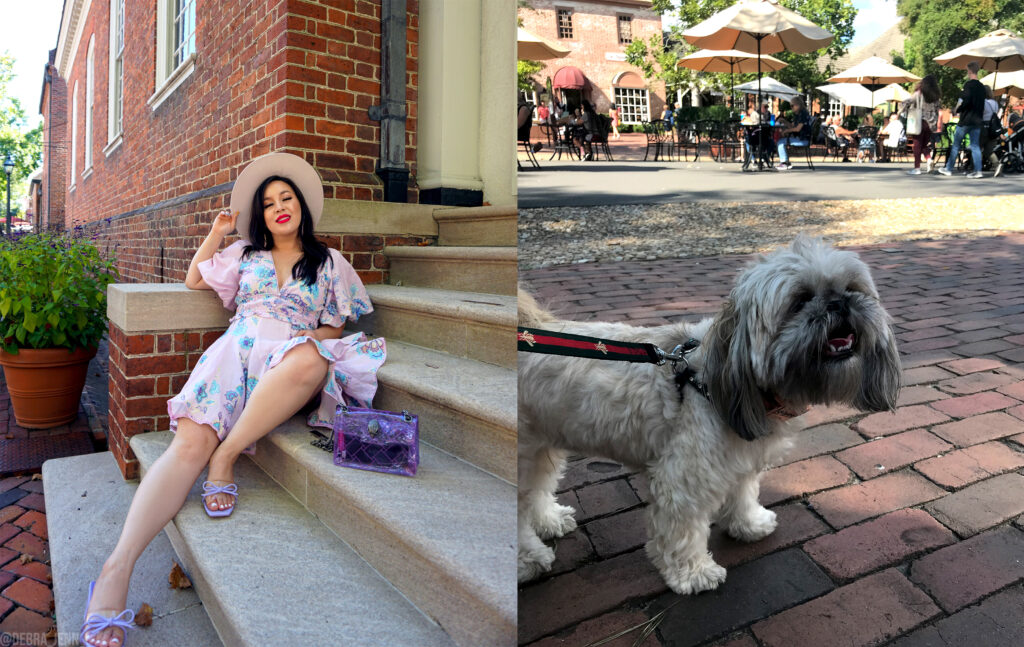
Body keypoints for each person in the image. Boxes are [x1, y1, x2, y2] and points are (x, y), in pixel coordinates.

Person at [79, 153, 385, 647]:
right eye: (268, 203)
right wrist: (219, 233)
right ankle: (117, 571)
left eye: (286, 198)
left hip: (288, 355)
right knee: (187, 447)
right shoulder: (245, 254)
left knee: (313, 359)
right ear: (261, 217)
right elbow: (194, 280)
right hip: (234, 351)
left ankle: (226, 457)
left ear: (302, 207)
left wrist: (305, 335)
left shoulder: (329, 262)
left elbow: (337, 323)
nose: (278, 207)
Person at [939, 61, 986, 178]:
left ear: (969, 71)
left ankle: (949, 168)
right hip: (977, 120)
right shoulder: (982, 87)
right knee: (975, 146)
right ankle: (978, 171)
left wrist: (957, 110)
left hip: (966, 120)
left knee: (956, 145)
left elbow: (963, 101)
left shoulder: (968, 85)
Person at [900, 74, 941, 174]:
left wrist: (902, 110)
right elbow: (938, 109)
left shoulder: (919, 93)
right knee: (924, 145)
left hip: (919, 122)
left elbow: (906, 102)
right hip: (931, 124)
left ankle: (917, 168)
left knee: (917, 146)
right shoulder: (936, 96)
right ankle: (929, 159)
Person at [774, 96, 811, 171]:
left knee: (780, 142)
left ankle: (784, 163)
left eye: (792, 106)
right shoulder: (798, 114)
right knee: (781, 140)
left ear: (798, 105)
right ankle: (785, 161)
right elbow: (792, 126)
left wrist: (786, 131)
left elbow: (797, 129)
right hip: (800, 138)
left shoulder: (803, 114)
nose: (791, 108)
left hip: (803, 139)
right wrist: (784, 121)